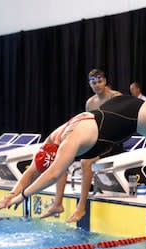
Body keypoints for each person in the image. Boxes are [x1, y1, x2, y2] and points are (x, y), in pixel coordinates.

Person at [0, 85, 146, 210]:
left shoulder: (69, 142)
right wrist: (12, 193)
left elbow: (53, 173)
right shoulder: (53, 138)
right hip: (120, 105)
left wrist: (24, 196)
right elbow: (33, 170)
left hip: (133, 120)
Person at [40, 69, 122, 222]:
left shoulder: (116, 97)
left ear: (105, 81)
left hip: (113, 142)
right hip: (95, 141)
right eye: (93, 82)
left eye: (99, 81)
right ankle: (58, 203)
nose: (97, 85)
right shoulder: (90, 103)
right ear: (89, 84)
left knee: (86, 162)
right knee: (62, 157)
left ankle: (81, 207)